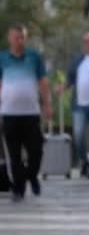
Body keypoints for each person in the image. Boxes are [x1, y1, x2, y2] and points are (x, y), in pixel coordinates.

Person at [0, 23, 52, 201]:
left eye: (22, 37)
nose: (19, 41)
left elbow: (43, 82)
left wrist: (47, 104)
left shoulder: (34, 57)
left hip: (31, 113)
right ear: (9, 38)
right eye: (16, 37)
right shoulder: (2, 59)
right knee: (13, 154)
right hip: (9, 113)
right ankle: (18, 189)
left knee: (36, 151)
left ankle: (31, 175)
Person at [64, 31, 89, 176]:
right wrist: (63, 87)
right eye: (85, 42)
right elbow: (70, 79)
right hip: (79, 105)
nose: (87, 45)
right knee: (78, 134)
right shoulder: (78, 60)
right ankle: (84, 161)